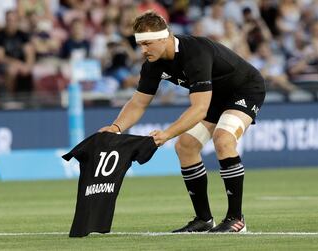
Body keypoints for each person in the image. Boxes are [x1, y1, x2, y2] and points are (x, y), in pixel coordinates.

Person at [100, 10, 266, 233]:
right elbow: (138, 103)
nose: (143, 50)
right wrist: (116, 127)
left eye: (147, 43)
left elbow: (199, 109)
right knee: (185, 146)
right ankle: (204, 219)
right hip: (214, 96)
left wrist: (167, 133)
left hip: (244, 89)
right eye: (140, 44)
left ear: (164, 37)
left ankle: (237, 219)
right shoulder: (153, 63)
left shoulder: (195, 53)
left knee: (223, 139)